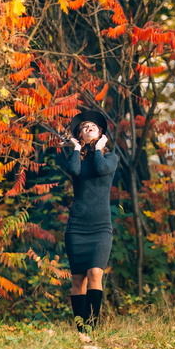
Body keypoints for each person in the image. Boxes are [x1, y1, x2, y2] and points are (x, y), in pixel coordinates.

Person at [60, 109, 119, 337]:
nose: (88, 127)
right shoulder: (76, 158)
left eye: (92, 125)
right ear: (79, 135)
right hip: (76, 227)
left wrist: (97, 148)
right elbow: (73, 170)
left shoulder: (110, 157)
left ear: (101, 132)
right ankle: (81, 332)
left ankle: (92, 329)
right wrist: (76, 148)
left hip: (101, 227)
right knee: (78, 278)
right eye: (83, 127)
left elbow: (101, 169)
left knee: (95, 272)